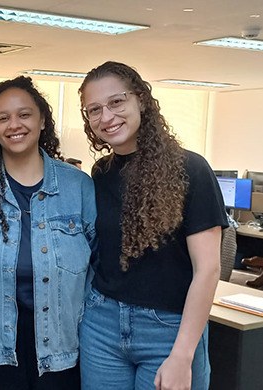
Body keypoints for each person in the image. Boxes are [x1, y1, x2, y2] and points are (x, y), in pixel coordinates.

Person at [77, 61, 227, 390]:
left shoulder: (191, 169)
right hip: (102, 324)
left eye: (117, 102)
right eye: (94, 109)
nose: (106, 116)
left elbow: (208, 269)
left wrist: (182, 355)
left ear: (141, 100)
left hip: (169, 329)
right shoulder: (101, 173)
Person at [0, 76, 96, 390]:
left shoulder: (77, 187)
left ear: (42, 120)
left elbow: (100, 268)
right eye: (3, 118)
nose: (14, 125)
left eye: (24, 114)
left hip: (62, 346)